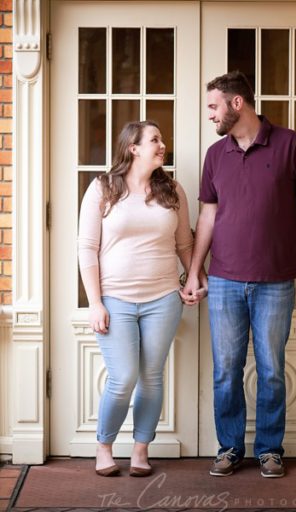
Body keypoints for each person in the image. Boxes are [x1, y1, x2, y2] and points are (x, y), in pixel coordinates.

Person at [183, 71, 296, 478]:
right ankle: (229, 447)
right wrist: (195, 271)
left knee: (271, 369)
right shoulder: (216, 155)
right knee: (226, 369)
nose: (209, 115)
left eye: (213, 106)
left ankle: (269, 450)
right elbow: (207, 216)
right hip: (225, 280)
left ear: (236, 103)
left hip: (277, 281)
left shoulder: (289, 143)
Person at [79, 121, 199, 477]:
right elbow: (87, 247)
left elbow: (184, 245)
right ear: (133, 147)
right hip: (115, 299)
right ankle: (104, 447)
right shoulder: (102, 188)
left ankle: (140, 450)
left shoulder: (172, 190)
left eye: (162, 140)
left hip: (163, 298)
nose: (163, 146)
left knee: (151, 376)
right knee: (124, 377)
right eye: (155, 140)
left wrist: (192, 279)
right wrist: (95, 302)